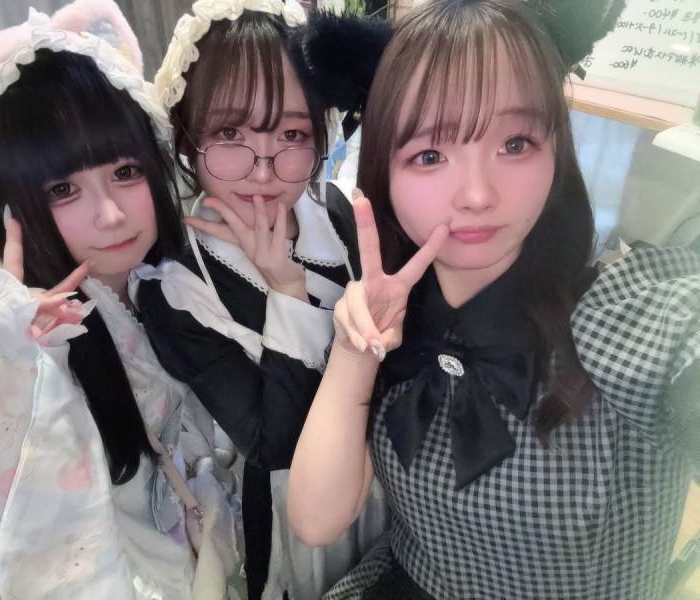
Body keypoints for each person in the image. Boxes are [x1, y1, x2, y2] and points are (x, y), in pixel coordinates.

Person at [287, 1, 700, 598]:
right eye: (430, 155)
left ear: (556, 149)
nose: (478, 195)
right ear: (385, 174)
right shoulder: (390, 320)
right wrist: (355, 354)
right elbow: (316, 521)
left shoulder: (619, 314)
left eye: (515, 143)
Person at [0, 1, 234, 597]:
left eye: (126, 172)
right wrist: (5, 356)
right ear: (3, 207)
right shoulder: (8, 338)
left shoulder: (163, 279)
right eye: (61, 189)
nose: (110, 214)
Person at [134, 1, 390, 598]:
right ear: (188, 138)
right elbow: (275, 443)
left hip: (384, 482)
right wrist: (287, 289)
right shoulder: (175, 287)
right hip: (292, 523)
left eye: (292, 134)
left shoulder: (340, 215)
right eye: (230, 134)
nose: (263, 169)